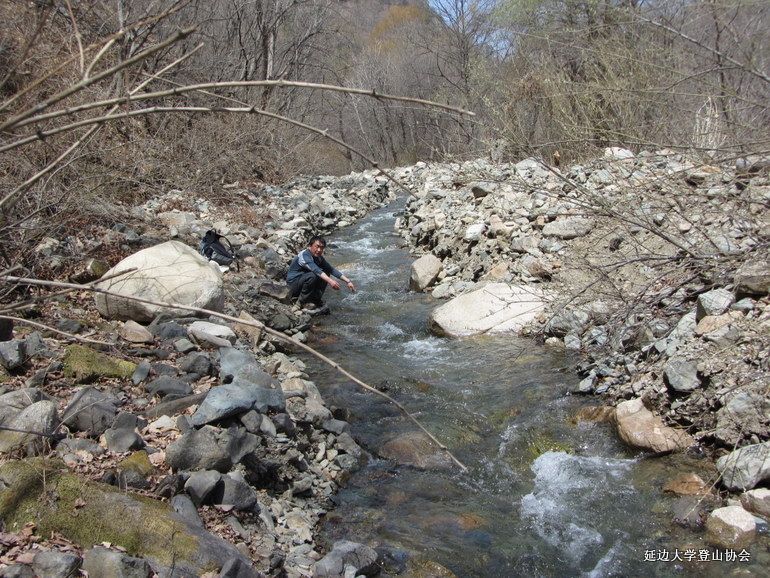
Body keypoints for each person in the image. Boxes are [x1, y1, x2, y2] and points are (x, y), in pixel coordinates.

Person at [286, 236, 356, 313]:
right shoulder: (304, 255)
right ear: (309, 246)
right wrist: (331, 281)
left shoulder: (319, 257)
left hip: (304, 283)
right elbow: (316, 270)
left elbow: (331, 269)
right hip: (293, 285)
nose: (319, 250)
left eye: (321, 248)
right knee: (313, 275)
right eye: (317, 247)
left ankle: (315, 300)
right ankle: (300, 303)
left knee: (326, 272)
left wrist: (348, 281)